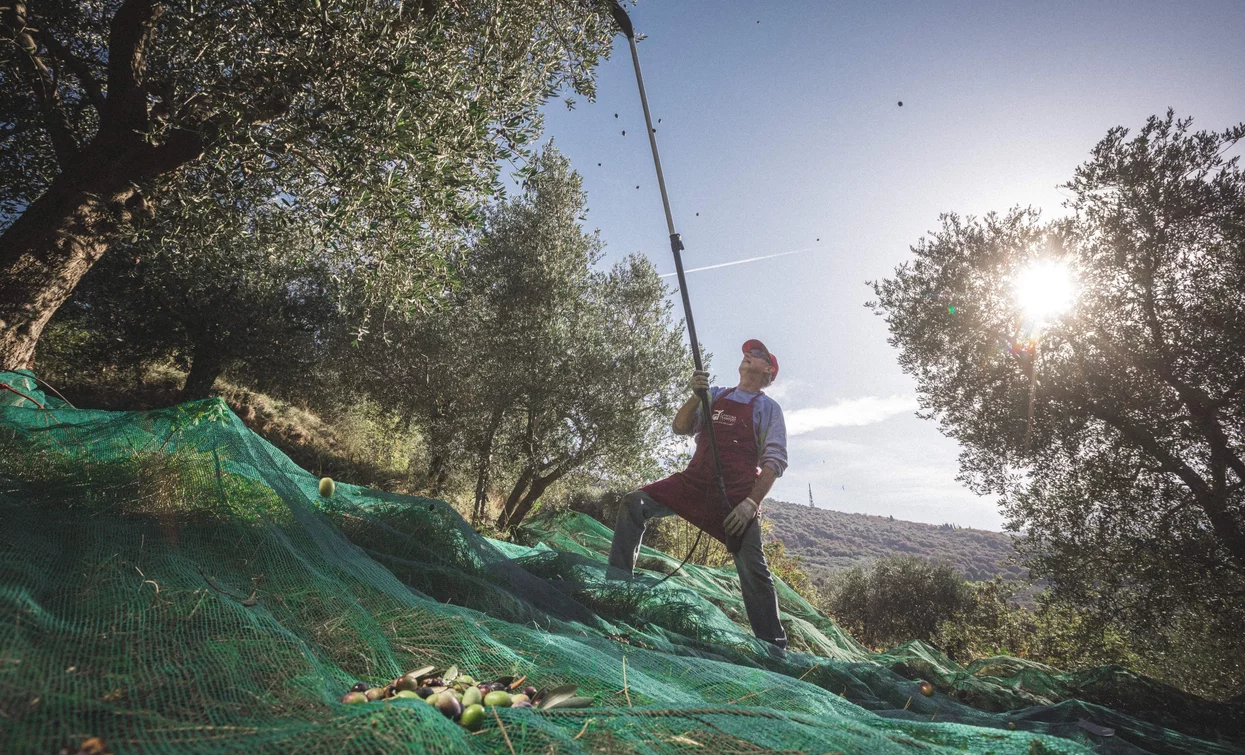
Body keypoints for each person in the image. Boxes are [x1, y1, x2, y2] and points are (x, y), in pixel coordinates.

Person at [608, 339, 789, 655]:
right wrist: (696, 397)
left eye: (758, 355)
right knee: (633, 503)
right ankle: (614, 594)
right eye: (748, 352)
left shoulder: (768, 408)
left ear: (768, 372)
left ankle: (774, 650)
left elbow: (774, 460)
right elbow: (680, 427)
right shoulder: (716, 395)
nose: (749, 354)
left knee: (755, 572)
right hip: (693, 482)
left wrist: (750, 504)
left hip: (736, 497)